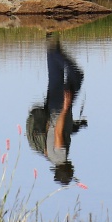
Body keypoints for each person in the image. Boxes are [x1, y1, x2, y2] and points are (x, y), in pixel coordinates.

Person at [24, 33, 87, 185]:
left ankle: (53, 49)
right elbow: (56, 135)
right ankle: (51, 41)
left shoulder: (60, 155)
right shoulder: (50, 157)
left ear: (69, 168)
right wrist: (74, 127)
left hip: (58, 109)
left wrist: (66, 107)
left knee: (76, 75)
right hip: (51, 109)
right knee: (56, 76)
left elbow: (58, 132)